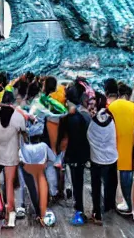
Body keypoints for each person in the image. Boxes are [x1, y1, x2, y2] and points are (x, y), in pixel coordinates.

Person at [106, 79, 134, 217]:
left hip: (111, 146)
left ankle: (111, 203)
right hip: (129, 147)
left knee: (112, 176)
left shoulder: (110, 106)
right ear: (128, 95)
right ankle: (129, 204)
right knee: (127, 175)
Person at [57, 83, 91, 226]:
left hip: (72, 155)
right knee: (79, 182)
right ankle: (81, 209)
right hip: (83, 153)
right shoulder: (84, 116)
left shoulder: (65, 119)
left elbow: (63, 140)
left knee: (76, 182)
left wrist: (60, 155)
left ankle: (79, 210)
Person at [0, 101, 26, 228]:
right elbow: (24, 129)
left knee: (5, 185)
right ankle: (10, 216)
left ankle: (7, 212)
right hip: (12, 157)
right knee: (10, 185)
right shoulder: (16, 117)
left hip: (0, 157)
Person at [87, 93, 118, 225]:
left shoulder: (93, 123)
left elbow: (89, 137)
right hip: (111, 158)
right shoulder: (111, 119)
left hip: (97, 160)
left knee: (96, 186)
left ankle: (97, 213)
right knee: (110, 183)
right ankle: (109, 206)